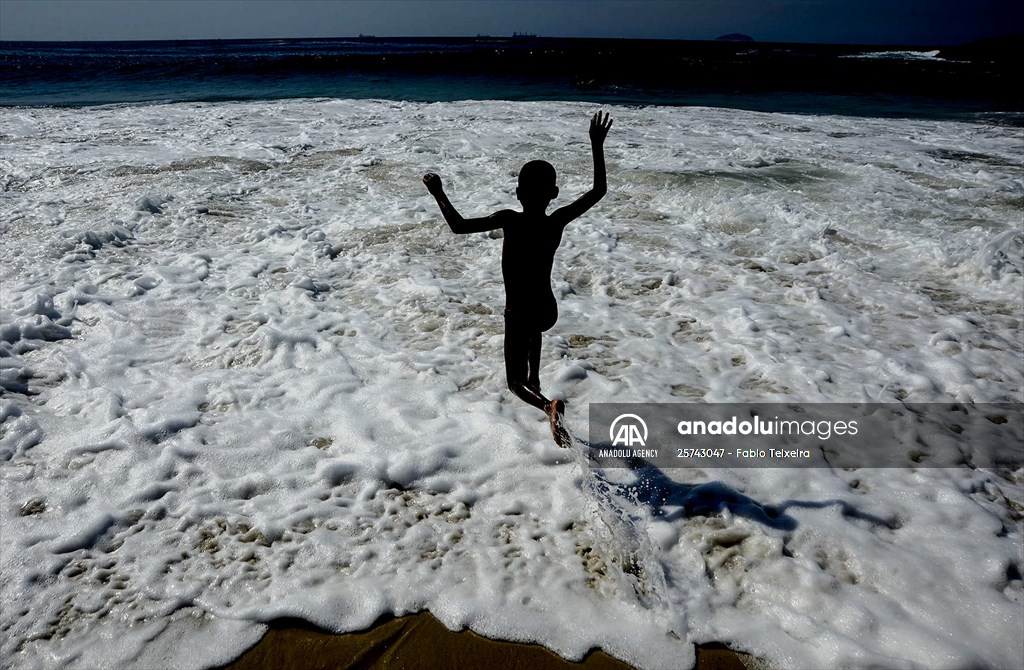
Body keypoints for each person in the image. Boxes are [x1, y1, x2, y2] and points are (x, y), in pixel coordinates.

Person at [423, 111, 612, 443]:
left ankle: (546, 405)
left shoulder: (509, 219)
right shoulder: (556, 221)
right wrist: (596, 145)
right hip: (547, 310)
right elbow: (598, 191)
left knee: (514, 382)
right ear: (553, 194)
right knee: (532, 334)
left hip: (520, 310)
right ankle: (536, 379)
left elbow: (459, 226)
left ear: (518, 192)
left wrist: (438, 192)